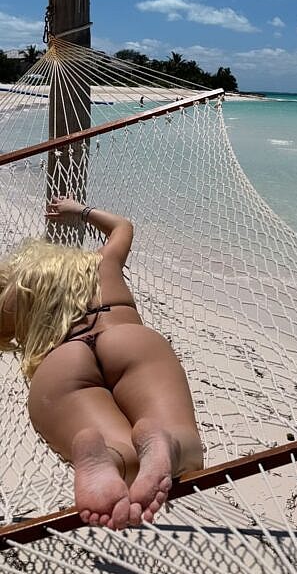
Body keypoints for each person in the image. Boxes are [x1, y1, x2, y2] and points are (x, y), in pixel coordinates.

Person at [0, 198, 203, 530]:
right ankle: (166, 442)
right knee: (185, 443)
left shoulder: (17, 292)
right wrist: (76, 210)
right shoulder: (101, 261)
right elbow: (123, 226)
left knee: (123, 457)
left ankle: (107, 458)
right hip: (127, 337)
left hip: (62, 361)